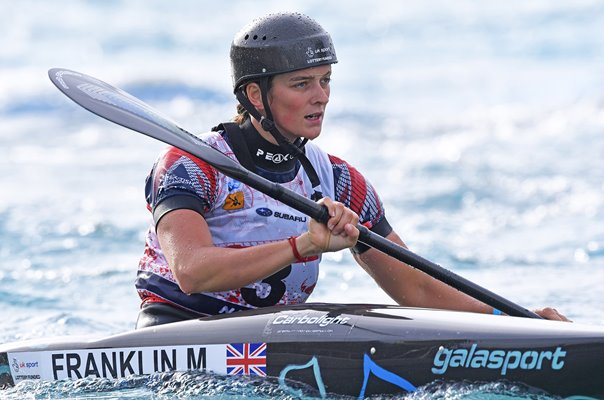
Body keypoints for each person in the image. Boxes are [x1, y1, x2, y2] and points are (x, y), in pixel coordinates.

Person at [134, 12, 567, 328]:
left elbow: (415, 289)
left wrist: (518, 322)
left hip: (269, 342)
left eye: (325, 81)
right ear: (256, 95)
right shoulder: (192, 166)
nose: (320, 97)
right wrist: (304, 245)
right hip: (177, 336)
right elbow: (192, 272)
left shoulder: (340, 182)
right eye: (301, 84)